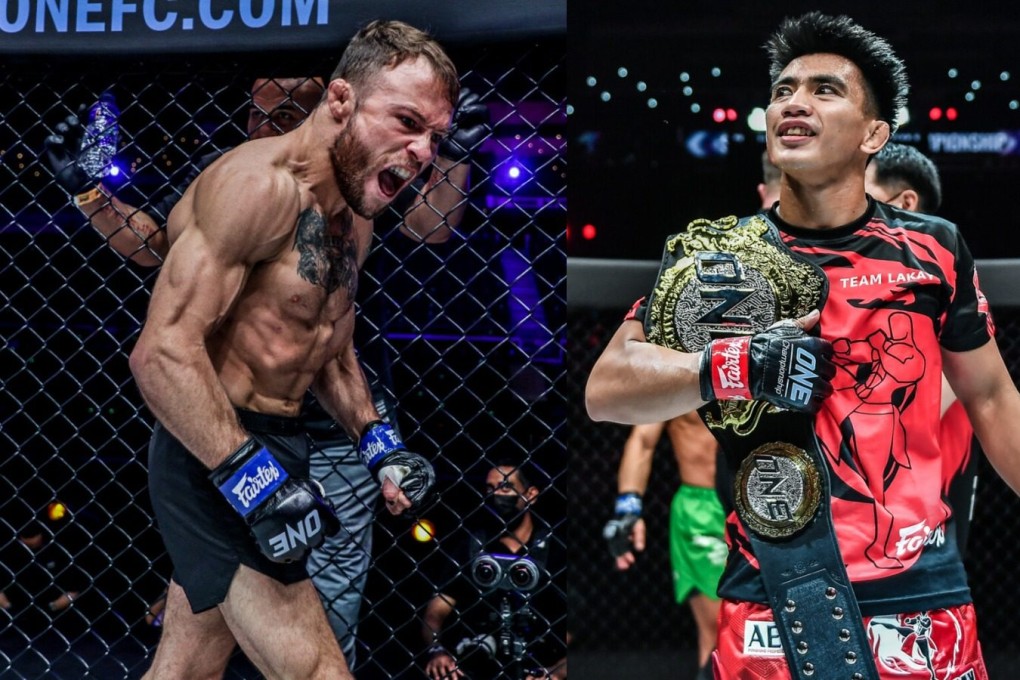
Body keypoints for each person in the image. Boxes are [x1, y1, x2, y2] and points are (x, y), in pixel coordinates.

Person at [586, 12, 1015, 679]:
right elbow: (606, 389)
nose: (794, 101)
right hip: (775, 588)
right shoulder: (720, 257)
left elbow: (991, 398)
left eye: (825, 90)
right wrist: (735, 364)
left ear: (875, 134)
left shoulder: (933, 246)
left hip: (920, 591)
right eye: (784, 89)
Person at [43, 70, 488, 666]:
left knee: (190, 664)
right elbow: (155, 252)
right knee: (314, 660)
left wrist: (379, 444)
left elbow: (343, 328)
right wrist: (92, 195)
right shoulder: (245, 179)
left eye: (285, 110)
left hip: (323, 436)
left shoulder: (356, 199)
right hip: (228, 438)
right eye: (260, 112)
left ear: (331, 110)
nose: (268, 124)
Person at [865, 142, 980, 555]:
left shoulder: (946, 281)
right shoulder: (867, 283)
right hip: (875, 503)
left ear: (905, 201)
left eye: (865, 193)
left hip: (933, 494)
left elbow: (928, 407)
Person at [602, 413, 725, 678]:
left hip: (764, 502)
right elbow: (643, 439)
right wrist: (628, 509)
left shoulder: (768, 370)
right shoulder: (675, 371)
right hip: (702, 512)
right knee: (718, 631)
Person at [422, 462, 566, 680]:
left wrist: (557, 671)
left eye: (505, 487)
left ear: (531, 494)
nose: (496, 495)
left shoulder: (556, 550)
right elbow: (435, 612)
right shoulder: (472, 546)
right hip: (479, 662)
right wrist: (437, 650)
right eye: (490, 489)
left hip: (538, 663)